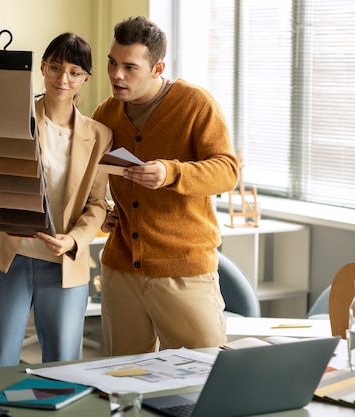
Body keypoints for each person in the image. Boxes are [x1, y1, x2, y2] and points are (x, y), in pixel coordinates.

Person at [0, 33, 113, 368]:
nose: (62, 79)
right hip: (9, 255)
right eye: (55, 67)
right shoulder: (15, 113)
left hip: (64, 262)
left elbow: (97, 204)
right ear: (42, 68)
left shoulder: (99, 135)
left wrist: (73, 240)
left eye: (73, 72)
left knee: (65, 369)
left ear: (85, 79)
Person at [91, 16, 239, 356]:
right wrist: (99, 212)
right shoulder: (106, 114)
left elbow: (226, 171)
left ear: (158, 68)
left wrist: (171, 173)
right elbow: (86, 174)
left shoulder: (195, 104)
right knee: (123, 376)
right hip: (121, 270)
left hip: (183, 270)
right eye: (112, 63)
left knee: (202, 375)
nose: (116, 75)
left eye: (130, 67)